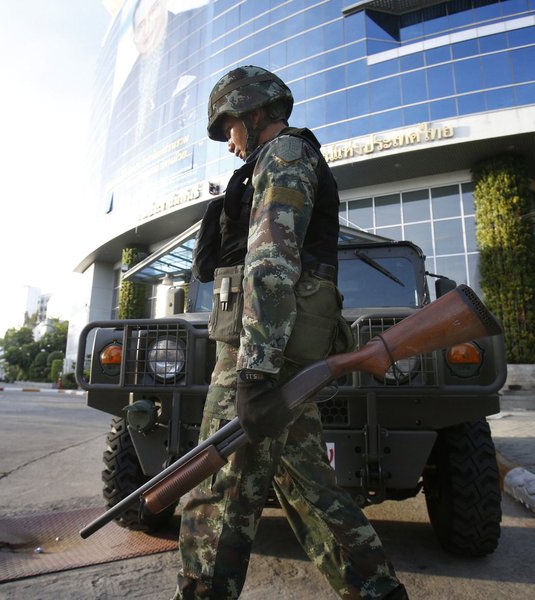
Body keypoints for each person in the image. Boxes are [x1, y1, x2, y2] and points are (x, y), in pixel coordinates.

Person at [173, 66, 409, 600]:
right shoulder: (280, 160)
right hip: (278, 349)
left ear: (255, 113)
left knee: (217, 491)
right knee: (307, 487)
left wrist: (253, 373)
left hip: (261, 351)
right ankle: (376, 591)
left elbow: (271, 263)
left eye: (229, 128)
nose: (230, 144)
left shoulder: (282, 156)